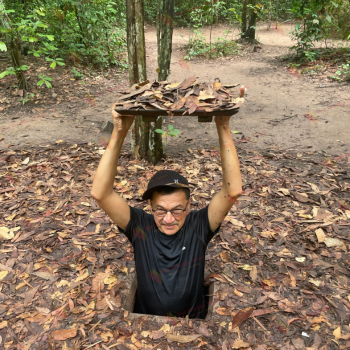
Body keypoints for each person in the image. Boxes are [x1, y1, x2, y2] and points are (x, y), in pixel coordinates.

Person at [91, 104, 243, 319]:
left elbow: (232, 190)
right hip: (145, 325)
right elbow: (101, 193)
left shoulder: (199, 225)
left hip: (194, 324)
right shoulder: (140, 226)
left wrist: (223, 125)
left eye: (178, 209)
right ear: (150, 207)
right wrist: (119, 131)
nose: (169, 219)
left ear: (189, 206)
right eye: (160, 210)